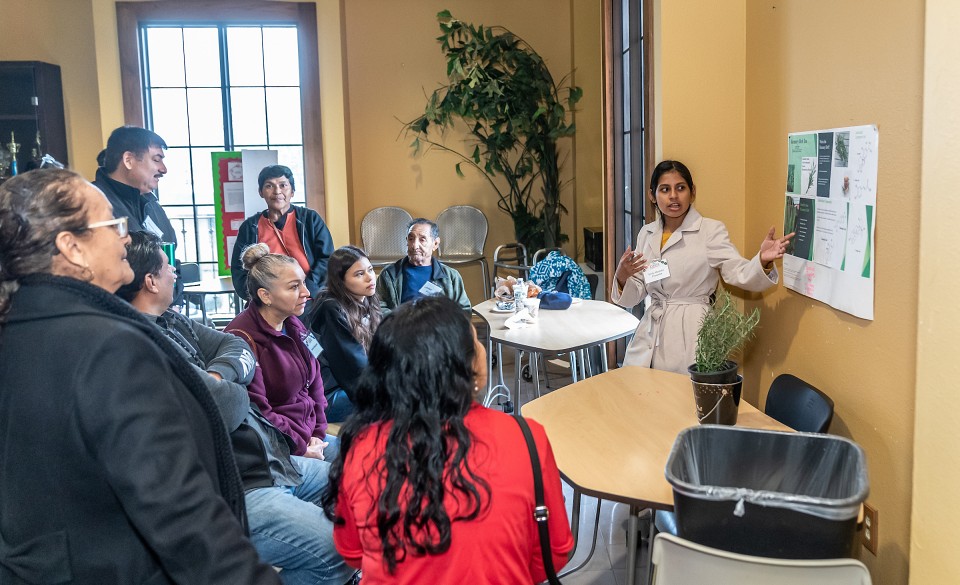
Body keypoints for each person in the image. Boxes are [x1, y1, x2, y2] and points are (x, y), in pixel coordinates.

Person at [0, 169, 277, 583]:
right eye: (112, 223)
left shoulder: (21, 325)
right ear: (71, 247)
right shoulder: (108, 346)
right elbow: (179, 511)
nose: (126, 237)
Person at [118, 232, 357, 585]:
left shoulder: (175, 320)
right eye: (168, 265)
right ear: (151, 280)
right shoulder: (138, 341)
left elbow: (233, 353)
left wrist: (216, 377)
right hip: (235, 484)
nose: (176, 272)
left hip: (269, 459)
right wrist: (230, 386)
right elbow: (233, 402)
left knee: (364, 486)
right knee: (336, 549)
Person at [321, 296, 573, 583]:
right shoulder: (527, 437)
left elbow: (353, 552)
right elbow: (554, 551)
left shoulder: (360, 447)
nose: (481, 350)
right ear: (467, 367)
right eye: (476, 342)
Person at [611, 160, 794, 374]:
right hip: (651, 330)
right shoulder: (647, 233)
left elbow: (736, 271)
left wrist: (762, 260)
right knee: (642, 393)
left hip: (692, 330)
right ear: (652, 195)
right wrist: (623, 277)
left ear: (692, 192)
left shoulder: (709, 231)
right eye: (665, 189)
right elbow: (636, 295)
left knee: (681, 398)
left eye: (681, 188)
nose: (673, 196)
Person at [226, 243, 333, 460]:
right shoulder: (242, 339)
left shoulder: (294, 324)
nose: (307, 292)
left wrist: (318, 433)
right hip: (278, 449)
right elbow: (259, 412)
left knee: (374, 460)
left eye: (303, 283)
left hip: (311, 437)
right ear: (265, 296)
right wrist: (301, 449)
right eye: (294, 287)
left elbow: (315, 384)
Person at [232, 164, 334, 311]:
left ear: (292, 191)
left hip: (309, 298)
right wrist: (258, 297)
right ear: (260, 192)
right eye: (269, 186)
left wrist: (308, 289)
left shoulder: (310, 219)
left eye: (283, 185)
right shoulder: (250, 227)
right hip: (268, 303)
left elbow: (327, 258)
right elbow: (239, 269)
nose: (277, 191)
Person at [308, 245, 382, 422]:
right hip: (330, 395)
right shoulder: (331, 308)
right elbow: (353, 366)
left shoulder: (367, 300)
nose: (369, 277)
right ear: (341, 281)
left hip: (355, 385)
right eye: (359, 274)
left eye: (370, 270)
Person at [376, 217, 471, 315]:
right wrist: (400, 321)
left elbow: (464, 309)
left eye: (422, 239)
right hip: (402, 327)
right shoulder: (389, 274)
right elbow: (377, 307)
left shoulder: (451, 276)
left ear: (435, 244)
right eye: (411, 239)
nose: (414, 245)